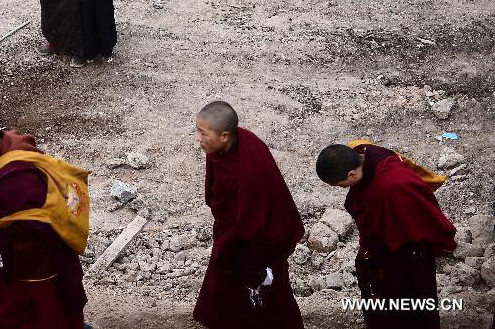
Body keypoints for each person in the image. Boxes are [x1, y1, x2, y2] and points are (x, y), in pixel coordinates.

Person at [0, 107, 87, 328]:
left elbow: (36, 222)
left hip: (35, 265)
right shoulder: (8, 141)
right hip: (23, 261)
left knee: (40, 315)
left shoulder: (16, 178)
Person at [316, 142, 457, 329]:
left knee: (408, 308)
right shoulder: (362, 151)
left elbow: (411, 229)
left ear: (352, 174)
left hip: (407, 255)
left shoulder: (391, 187)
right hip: (385, 247)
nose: (342, 189)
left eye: (340, 185)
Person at [192, 101, 305, 329]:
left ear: (224, 135)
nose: (198, 138)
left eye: (203, 134)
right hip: (232, 230)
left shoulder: (249, 168)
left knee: (261, 292)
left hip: (254, 238)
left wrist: (249, 260)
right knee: (226, 287)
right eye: (198, 131)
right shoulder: (225, 146)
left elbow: (254, 217)